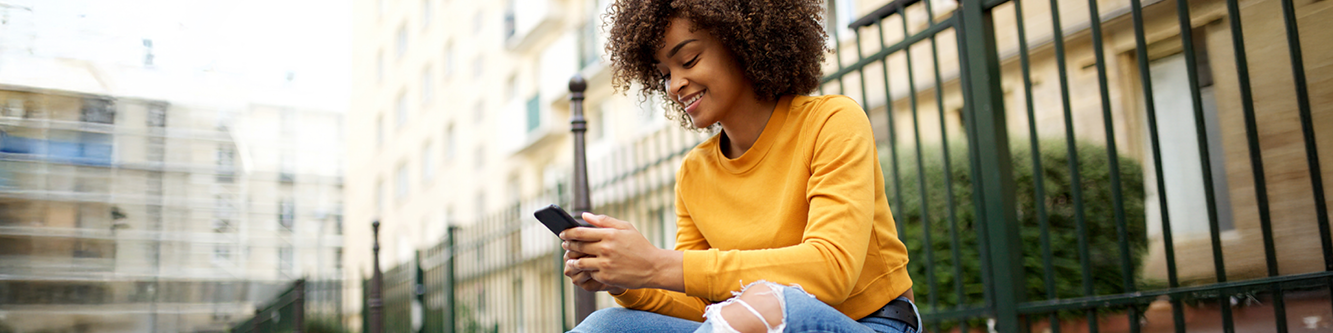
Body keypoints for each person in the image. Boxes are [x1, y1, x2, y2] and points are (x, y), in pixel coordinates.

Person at [560, 0, 916, 332]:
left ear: (742, 44)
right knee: (605, 326)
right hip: (741, 322)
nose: (674, 86)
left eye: (689, 60)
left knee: (771, 301)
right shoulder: (694, 172)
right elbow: (700, 303)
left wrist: (655, 263)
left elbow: (831, 271)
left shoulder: (832, 122)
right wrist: (627, 281)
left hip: (872, 323)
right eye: (665, 73)